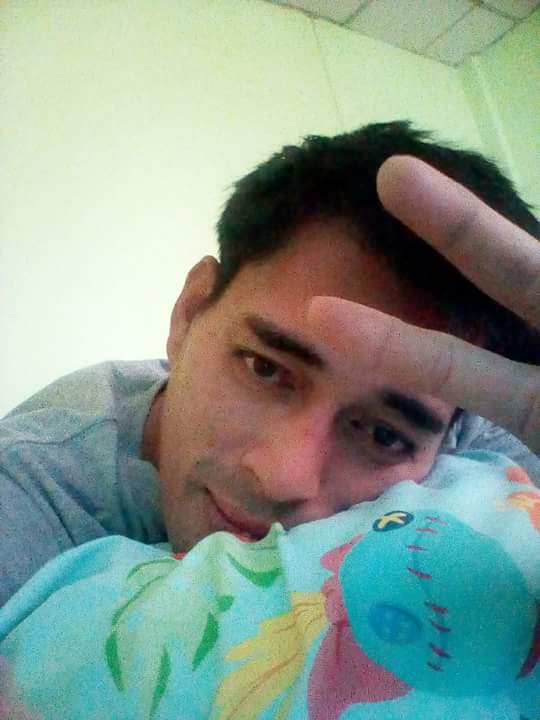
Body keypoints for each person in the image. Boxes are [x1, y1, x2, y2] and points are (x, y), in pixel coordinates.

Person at [1, 121, 539, 608]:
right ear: (189, 313)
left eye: (382, 434)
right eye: (264, 368)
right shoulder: (35, 492)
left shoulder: (495, 427)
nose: (284, 478)